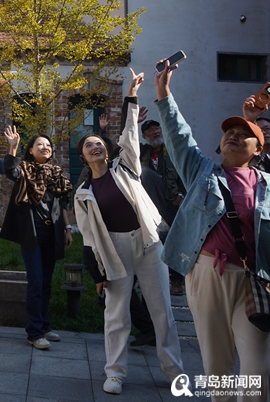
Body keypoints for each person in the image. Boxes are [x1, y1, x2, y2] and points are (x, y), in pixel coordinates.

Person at [157, 62, 269, 402]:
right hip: (207, 273)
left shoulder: (267, 185)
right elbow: (178, 136)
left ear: (259, 150)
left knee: (257, 371)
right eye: (228, 134)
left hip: (253, 279)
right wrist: (164, 93)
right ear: (220, 145)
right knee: (217, 365)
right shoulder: (201, 172)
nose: (233, 137)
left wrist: (252, 114)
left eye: (243, 135)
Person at [74, 68, 183, 396]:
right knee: (116, 314)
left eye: (98, 144)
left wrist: (131, 97)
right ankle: (115, 373)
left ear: (107, 150)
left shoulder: (127, 167)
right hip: (115, 251)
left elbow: (128, 137)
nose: (95, 148)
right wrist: (97, 272)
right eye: (88, 146)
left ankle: (173, 370)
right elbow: (90, 238)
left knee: (161, 309)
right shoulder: (84, 193)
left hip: (148, 244)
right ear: (83, 155)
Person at [0, 128, 72, 350]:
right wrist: (13, 146)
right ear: (30, 150)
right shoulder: (25, 169)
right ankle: (34, 332)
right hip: (33, 232)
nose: (45, 147)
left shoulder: (56, 172)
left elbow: (61, 203)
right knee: (36, 282)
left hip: (53, 232)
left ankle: (44, 326)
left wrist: (68, 228)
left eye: (48, 145)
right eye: (39, 144)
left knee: (47, 283)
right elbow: (10, 172)